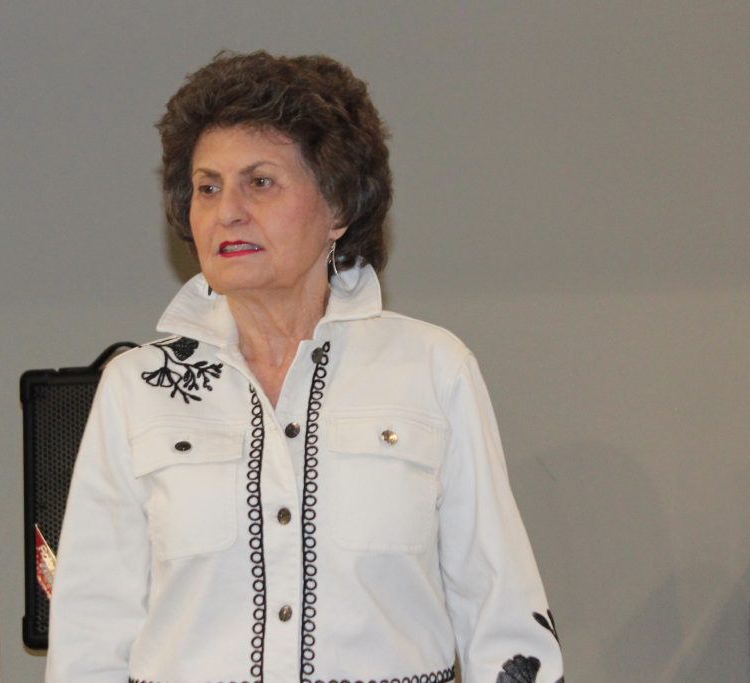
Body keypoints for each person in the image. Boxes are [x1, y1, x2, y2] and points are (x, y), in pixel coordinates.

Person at [45, 50, 564, 683]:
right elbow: (90, 634)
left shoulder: (433, 370)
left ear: (338, 207)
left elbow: (501, 616)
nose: (227, 211)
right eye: (208, 187)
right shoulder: (135, 389)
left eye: (260, 182)